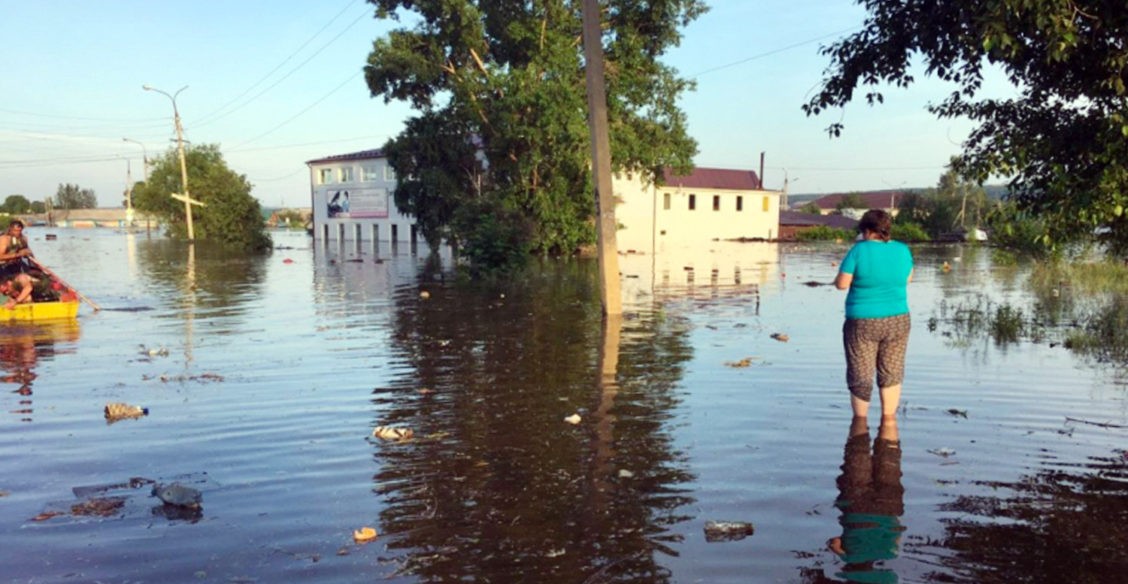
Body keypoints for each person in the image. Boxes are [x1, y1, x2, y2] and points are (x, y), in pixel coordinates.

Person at [835, 209, 913, 419]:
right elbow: (907, 279)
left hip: (862, 321)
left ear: (867, 230)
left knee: (861, 374)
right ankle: (889, 423)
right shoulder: (903, 250)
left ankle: (859, 425)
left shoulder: (858, 251)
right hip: (898, 319)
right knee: (892, 372)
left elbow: (842, 284)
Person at [827, 416, 905, 583]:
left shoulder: (889, 554)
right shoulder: (848, 558)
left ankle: (888, 417)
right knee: (858, 451)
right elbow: (835, 542)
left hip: (889, 508)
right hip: (856, 506)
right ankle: (861, 417)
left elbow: (897, 534)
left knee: (890, 455)